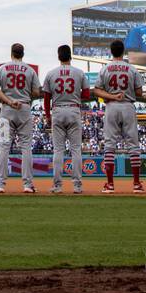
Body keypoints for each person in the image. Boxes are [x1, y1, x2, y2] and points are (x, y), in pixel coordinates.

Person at [93, 39, 146, 194]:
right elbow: (139, 93)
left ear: (111, 51)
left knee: (110, 145)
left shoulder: (105, 68)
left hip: (111, 106)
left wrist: (111, 95)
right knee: (133, 145)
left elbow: (96, 90)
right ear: (123, 52)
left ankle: (110, 185)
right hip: (128, 105)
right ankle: (136, 184)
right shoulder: (131, 68)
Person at [0, 43, 40, 193]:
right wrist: (24, 97)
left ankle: (0, 185)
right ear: (23, 54)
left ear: (11, 53)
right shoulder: (30, 70)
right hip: (24, 108)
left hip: (6, 109)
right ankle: (28, 184)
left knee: (4, 146)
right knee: (26, 147)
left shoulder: (2, 68)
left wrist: (9, 101)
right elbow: (37, 92)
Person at [42, 45, 86, 194]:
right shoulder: (79, 72)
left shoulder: (51, 73)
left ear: (59, 56)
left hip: (58, 109)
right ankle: (77, 186)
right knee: (76, 150)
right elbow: (86, 95)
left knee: (58, 150)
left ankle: (57, 185)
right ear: (70, 56)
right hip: (74, 108)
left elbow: (46, 99)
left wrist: (47, 116)